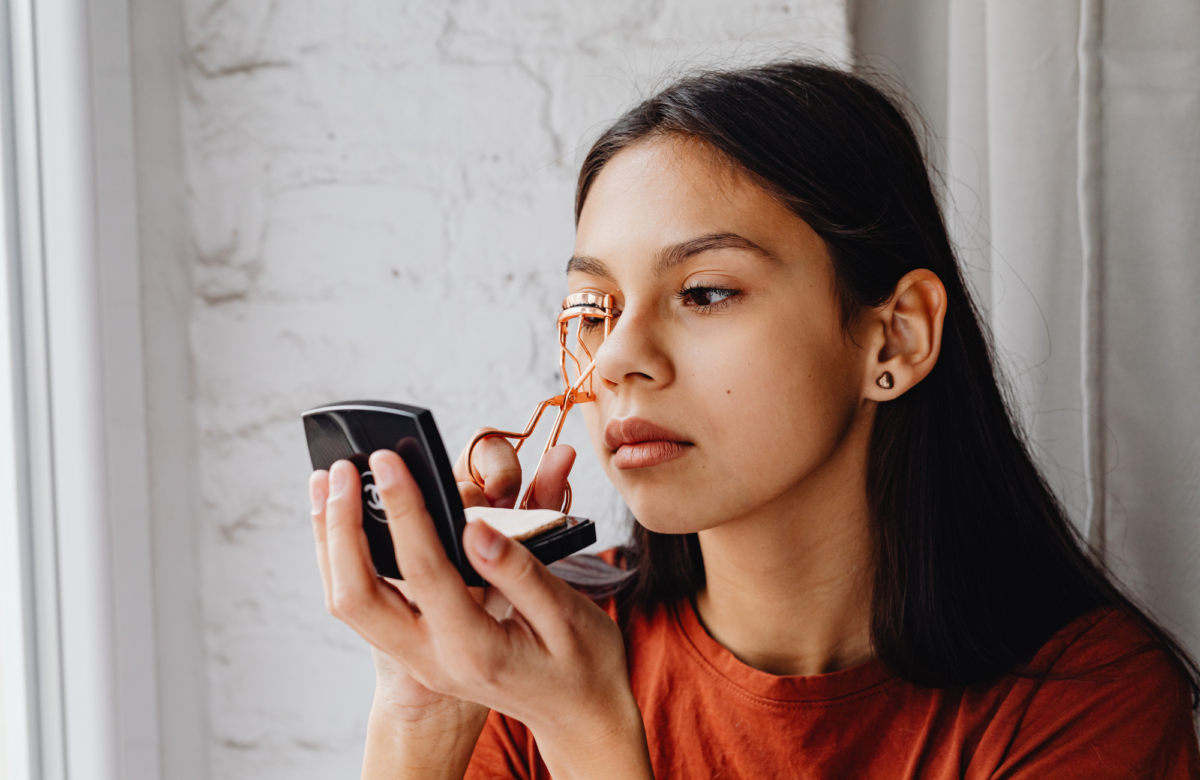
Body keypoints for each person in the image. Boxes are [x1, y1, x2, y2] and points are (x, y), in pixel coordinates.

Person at [307, 62, 1200, 779]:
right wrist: (424, 714)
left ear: (894, 337)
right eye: (594, 308)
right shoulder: (541, 654)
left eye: (702, 292)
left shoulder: (1084, 705)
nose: (618, 357)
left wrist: (589, 740)